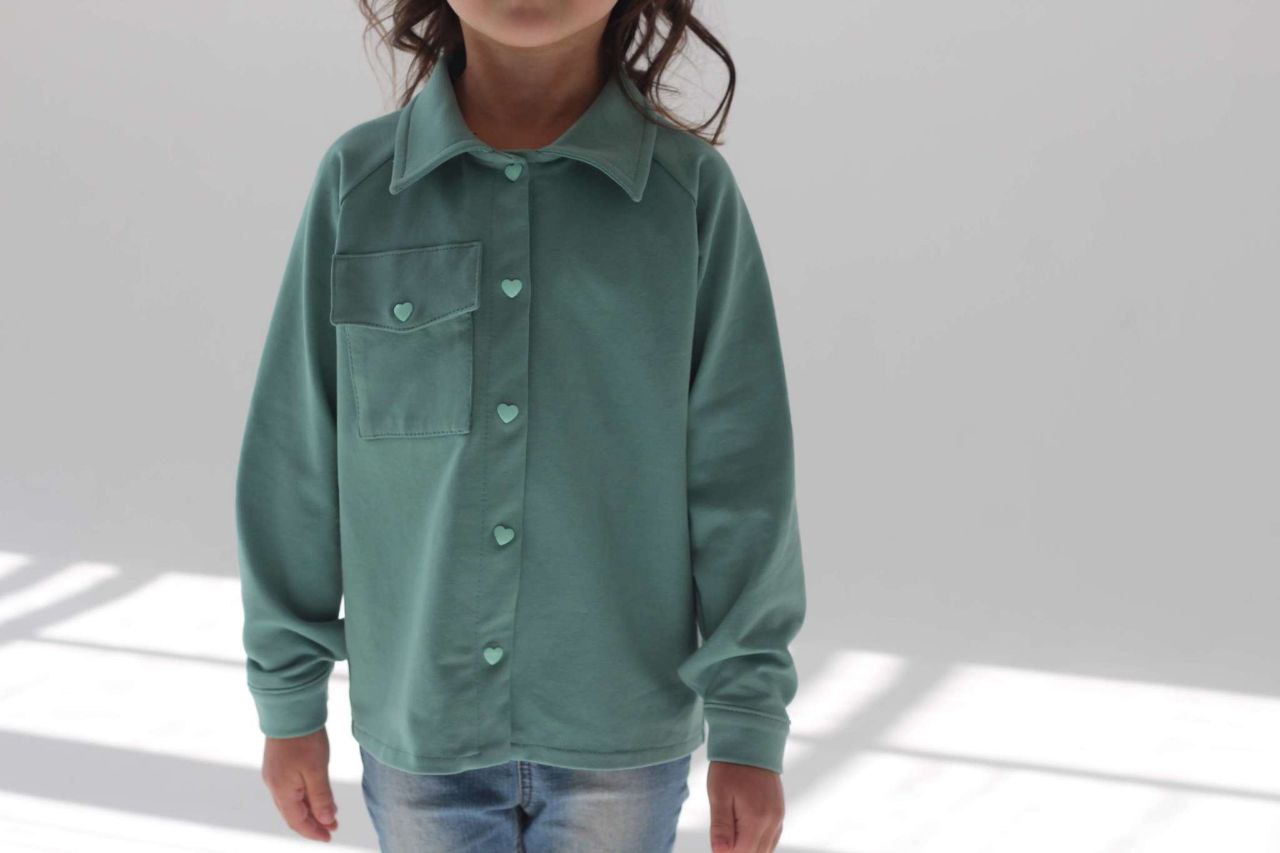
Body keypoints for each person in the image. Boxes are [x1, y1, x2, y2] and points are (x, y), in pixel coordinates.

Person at [234, 1, 807, 850]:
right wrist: (289, 701)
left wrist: (748, 723)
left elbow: (742, 472)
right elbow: (297, 457)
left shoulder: (688, 194)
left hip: (622, 724)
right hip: (420, 723)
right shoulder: (359, 184)